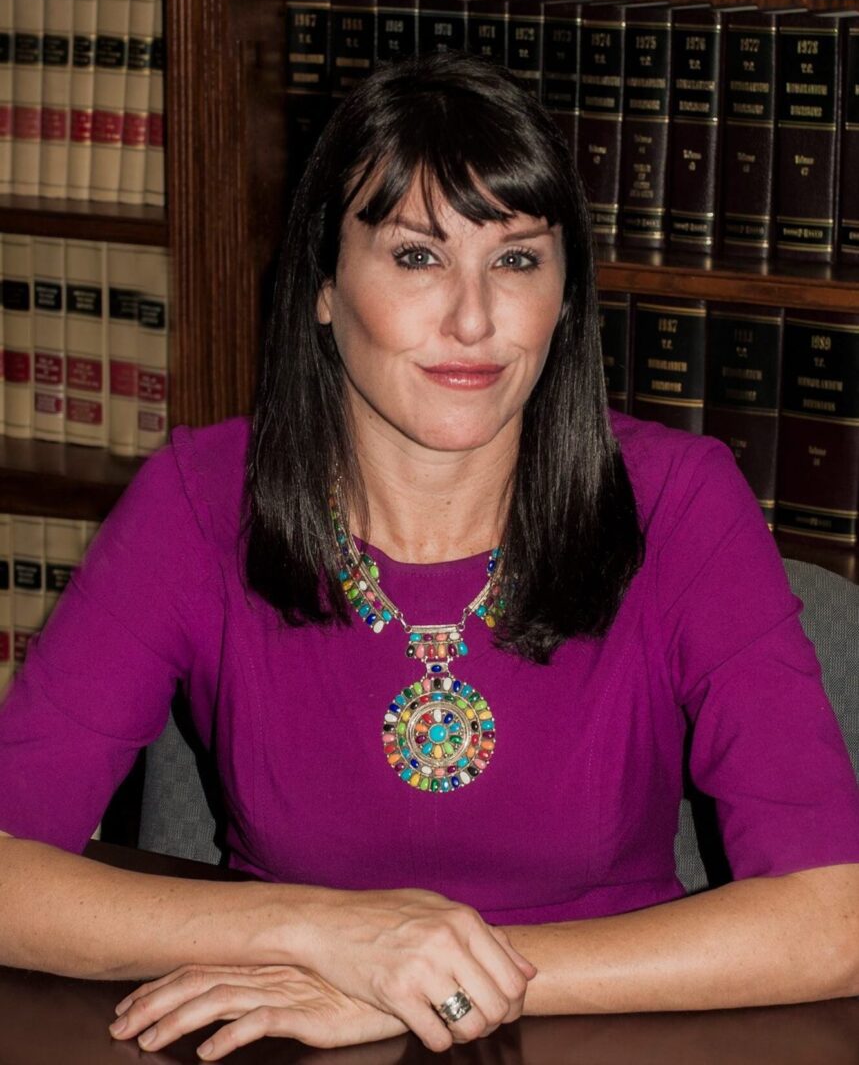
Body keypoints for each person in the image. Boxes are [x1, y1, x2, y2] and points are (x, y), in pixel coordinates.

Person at [0, 52, 857, 1062]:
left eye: (517, 260)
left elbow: (833, 917)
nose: (472, 319)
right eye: (416, 256)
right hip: (288, 1034)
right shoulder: (197, 502)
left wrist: (432, 987)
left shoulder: (678, 502)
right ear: (324, 286)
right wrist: (323, 935)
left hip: (615, 1035)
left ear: (565, 295)